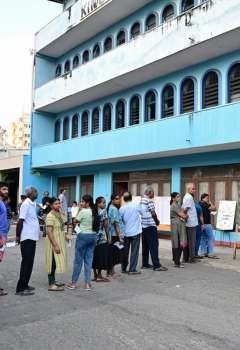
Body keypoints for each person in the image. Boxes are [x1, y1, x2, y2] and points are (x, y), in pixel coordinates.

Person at [67, 195, 99, 291]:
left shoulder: (83, 211)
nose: (80, 203)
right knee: (88, 261)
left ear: (87, 203)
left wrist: (78, 211)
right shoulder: (94, 212)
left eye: (82, 201)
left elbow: (75, 221)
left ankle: (73, 283)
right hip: (93, 236)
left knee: (78, 261)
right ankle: (88, 284)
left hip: (83, 236)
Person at [16, 186, 40, 296]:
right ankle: (20, 288)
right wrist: (17, 236)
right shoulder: (25, 204)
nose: (37, 193)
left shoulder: (32, 203)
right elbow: (20, 221)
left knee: (30, 263)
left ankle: (25, 284)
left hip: (32, 237)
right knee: (26, 263)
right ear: (30, 193)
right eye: (35, 191)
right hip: (27, 238)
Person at [140, 186, 167, 271]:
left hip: (143, 226)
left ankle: (145, 264)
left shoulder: (141, 201)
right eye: (153, 193)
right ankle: (157, 265)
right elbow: (153, 213)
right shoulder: (149, 201)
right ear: (150, 192)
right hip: (151, 226)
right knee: (154, 246)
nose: (154, 194)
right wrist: (157, 221)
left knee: (145, 246)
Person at [45, 197, 68, 291]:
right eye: (55, 204)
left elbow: (63, 225)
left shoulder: (59, 214)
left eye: (59, 203)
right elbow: (49, 232)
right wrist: (55, 245)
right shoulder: (50, 216)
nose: (58, 205)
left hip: (60, 240)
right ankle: (51, 284)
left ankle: (53, 281)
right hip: (53, 241)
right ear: (51, 205)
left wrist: (65, 236)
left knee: (56, 261)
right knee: (52, 262)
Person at [119, 192, 142, 275]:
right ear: (131, 197)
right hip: (136, 232)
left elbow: (120, 221)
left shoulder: (122, 208)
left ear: (124, 199)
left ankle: (123, 268)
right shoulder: (136, 205)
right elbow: (142, 213)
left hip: (125, 233)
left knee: (125, 251)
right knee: (134, 251)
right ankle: (132, 269)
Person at [92, 197, 111, 282]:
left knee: (94, 256)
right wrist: (109, 237)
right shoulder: (103, 212)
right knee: (100, 256)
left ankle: (95, 275)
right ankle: (99, 276)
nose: (105, 204)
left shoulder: (92, 211)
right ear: (98, 203)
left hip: (93, 237)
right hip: (101, 237)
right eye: (103, 203)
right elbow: (106, 226)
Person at [107, 194, 125, 277]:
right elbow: (116, 224)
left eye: (119, 199)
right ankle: (112, 272)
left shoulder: (110, 207)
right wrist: (120, 235)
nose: (119, 200)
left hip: (112, 233)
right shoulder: (113, 209)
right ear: (113, 200)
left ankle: (109, 271)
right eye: (117, 199)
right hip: (115, 234)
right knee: (114, 253)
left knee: (111, 252)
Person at [170, 192, 188, 268]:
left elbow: (183, 214)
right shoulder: (174, 205)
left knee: (178, 242)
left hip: (178, 224)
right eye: (177, 197)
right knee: (177, 242)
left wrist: (184, 215)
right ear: (173, 198)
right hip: (176, 225)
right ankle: (177, 262)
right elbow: (183, 215)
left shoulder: (177, 204)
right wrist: (185, 216)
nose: (179, 198)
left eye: (179, 196)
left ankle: (176, 260)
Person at [199, 193, 219, 259]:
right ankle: (210, 253)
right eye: (207, 198)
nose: (208, 199)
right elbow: (214, 208)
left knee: (203, 238)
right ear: (203, 198)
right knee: (211, 238)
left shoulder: (199, 204)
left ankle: (202, 252)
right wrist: (210, 202)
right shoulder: (206, 204)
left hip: (201, 224)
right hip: (207, 224)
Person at [182, 184, 198, 263]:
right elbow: (185, 209)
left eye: (194, 189)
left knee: (187, 241)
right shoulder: (189, 197)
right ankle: (191, 258)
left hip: (189, 222)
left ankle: (185, 258)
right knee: (192, 242)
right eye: (193, 189)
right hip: (191, 223)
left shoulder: (186, 196)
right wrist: (183, 215)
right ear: (188, 189)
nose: (194, 190)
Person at [0, 182, 9, 296]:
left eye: (7, 189)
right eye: (3, 189)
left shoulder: (2, 202)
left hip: (3, 235)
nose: (6, 191)